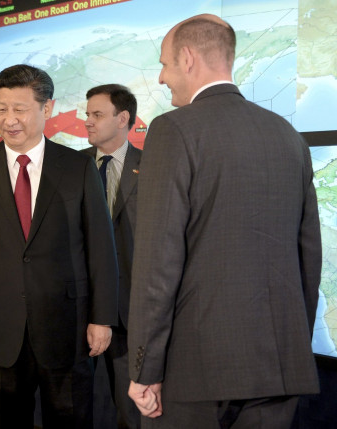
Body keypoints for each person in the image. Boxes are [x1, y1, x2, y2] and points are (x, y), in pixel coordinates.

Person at [127, 14, 321, 428]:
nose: (161, 78)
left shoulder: (173, 130)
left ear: (188, 57)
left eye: (164, 64)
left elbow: (157, 265)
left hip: (194, 372)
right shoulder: (288, 135)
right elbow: (309, 260)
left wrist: (145, 369)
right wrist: (291, 348)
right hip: (278, 368)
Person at [0, 64, 119, 428]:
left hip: (68, 326)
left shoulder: (78, 167)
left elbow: (101, 250)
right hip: (0, 328)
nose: (9, 119)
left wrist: (102, 317)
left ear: (47, 108)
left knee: (71, 420)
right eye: (2, 109)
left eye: (20, 109)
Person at [81, 83, 141, 429]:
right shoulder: (71, 167)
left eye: (97, 114)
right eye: (87, 114)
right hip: (78, 307)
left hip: (129, 313)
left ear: (123, 119)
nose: (87, 121)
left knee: (130, 408)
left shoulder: (151, 168)